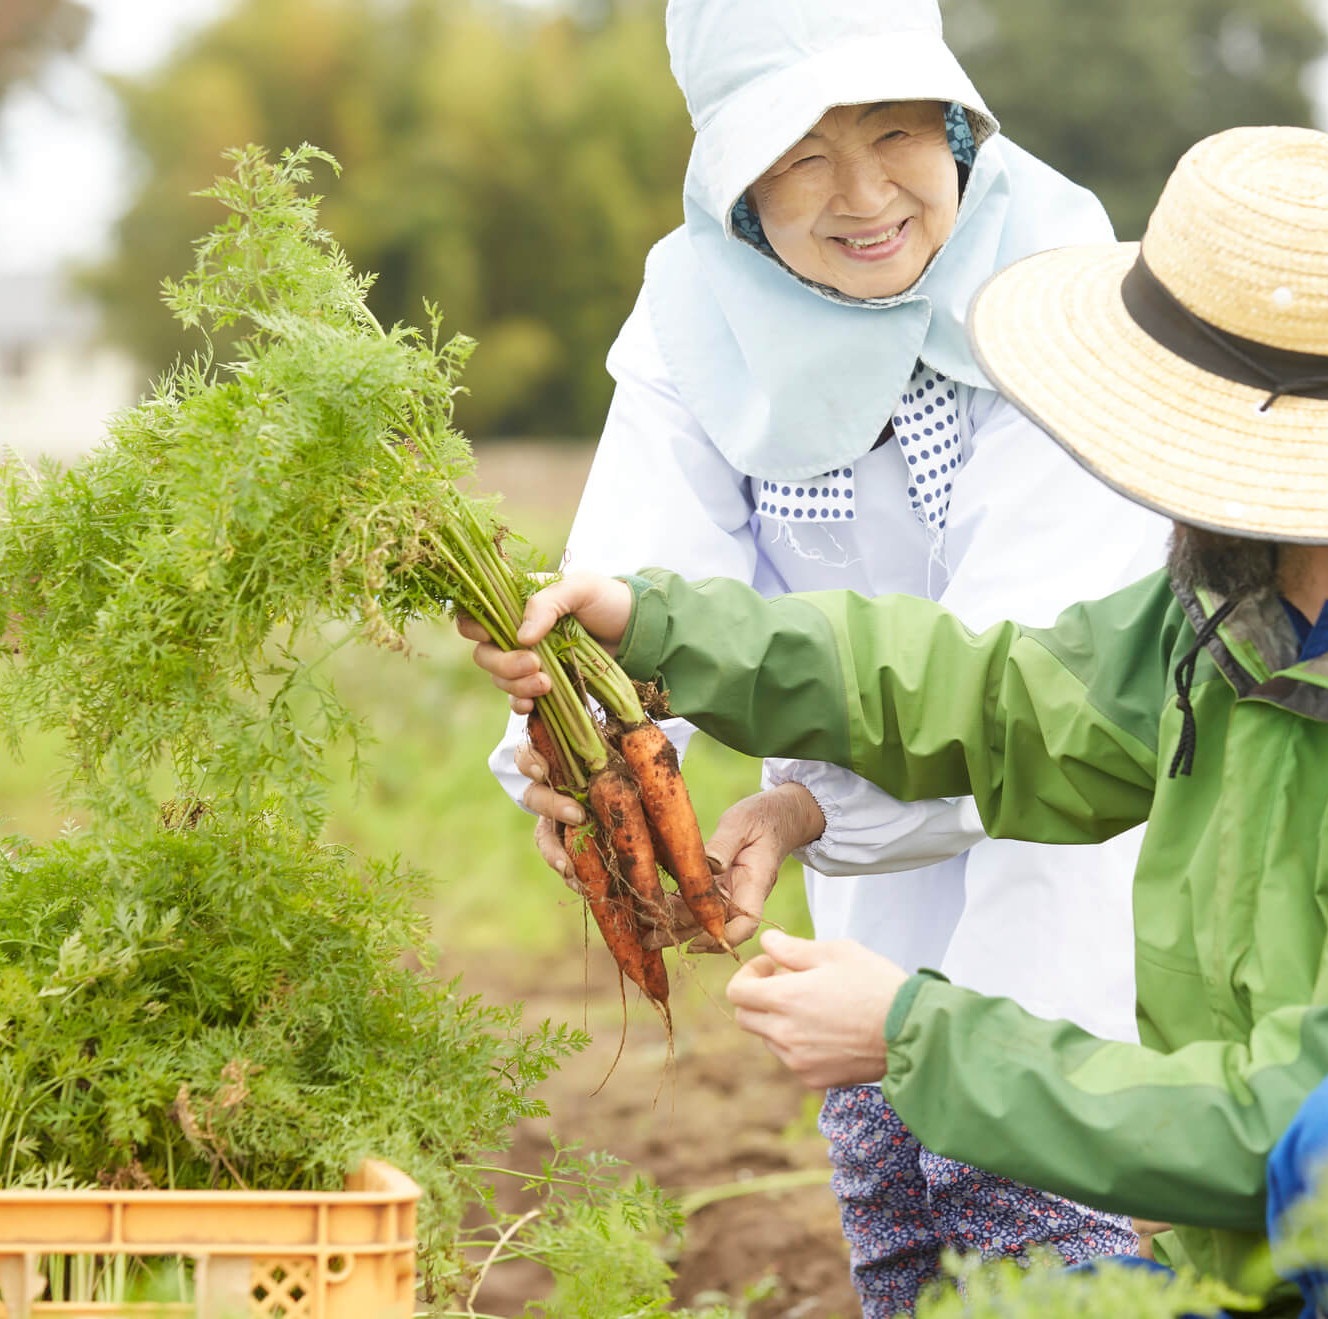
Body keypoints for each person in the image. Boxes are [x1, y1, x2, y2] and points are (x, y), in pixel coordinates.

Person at [468, 127, 1328, 1319]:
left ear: (1266, 441)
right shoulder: (1251, 600)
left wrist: (916, 1034)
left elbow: (1308, 1105)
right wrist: (666, 632)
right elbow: (996, 698)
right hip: (1293, 1231)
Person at [482, 0, 1166, 1308]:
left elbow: (1031, 690)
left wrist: (803, 806)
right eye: (799, 155)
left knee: (1055, 1208)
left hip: (1091, 842)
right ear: (733, 184)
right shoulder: (701, 310)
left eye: (900, 132)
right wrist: (585, 780)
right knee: (902, 1202)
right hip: (874, 873)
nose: (863, 198)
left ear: (962, 121)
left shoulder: (1071, 297)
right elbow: (642, 587)